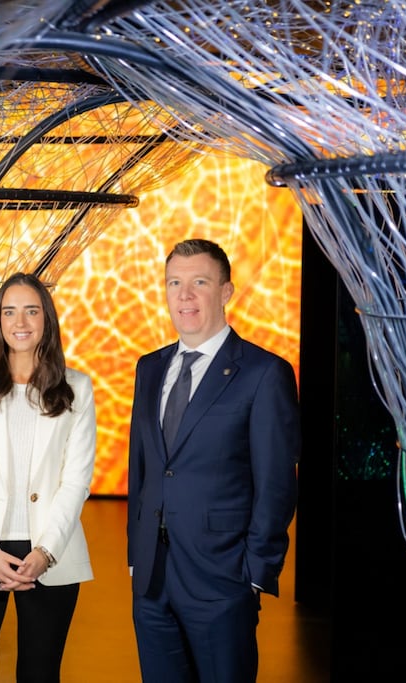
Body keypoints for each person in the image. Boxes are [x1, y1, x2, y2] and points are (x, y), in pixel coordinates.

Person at [127, 239, 300, 682]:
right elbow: (143, 467)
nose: (184, 296)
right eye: (174, 283)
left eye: (199, 283)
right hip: (150, 580)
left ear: (225, 292)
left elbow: (276, 485)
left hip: (223, 582)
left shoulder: (264, 374)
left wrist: (255, 574)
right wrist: (135, 551)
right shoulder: (149, 368)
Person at [0, 272, 96, 683]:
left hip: (49, 554)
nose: (20, 321)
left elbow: (76, 482)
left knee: (40, 674)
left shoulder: (77, 388)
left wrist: (45, 552)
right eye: (9, 311)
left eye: (31, 310)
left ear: (47, 319)